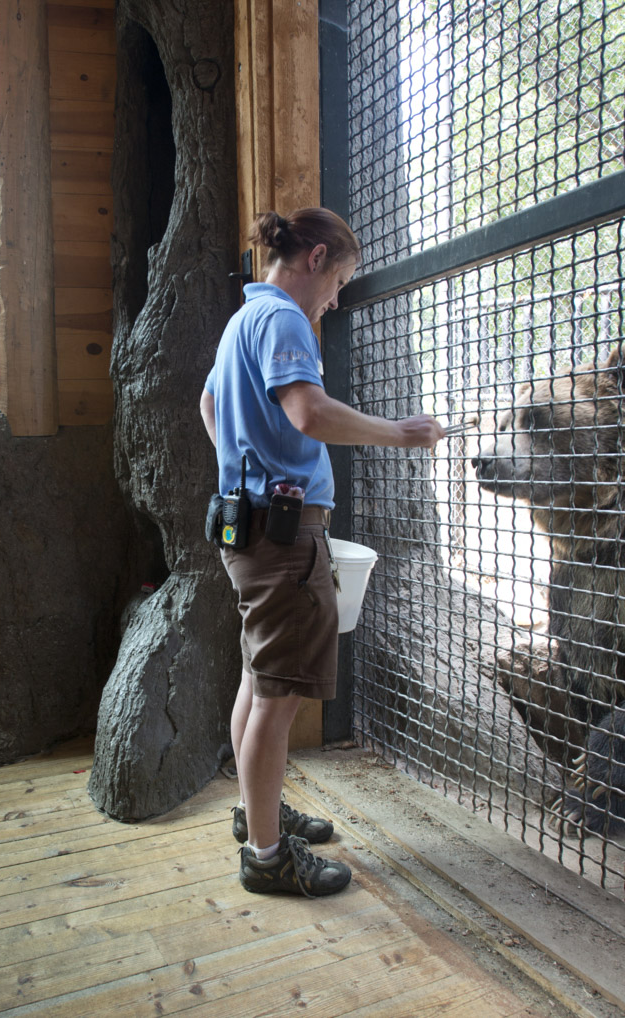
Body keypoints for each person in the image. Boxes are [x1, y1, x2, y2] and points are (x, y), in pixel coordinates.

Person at [200, 208, 444, 896]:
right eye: (338, 281)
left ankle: (258, 814)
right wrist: (401, 433)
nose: (335, 300)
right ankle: (267, 856)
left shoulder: (243, 321)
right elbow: (308, 412)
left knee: (257, 681)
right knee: (277, 699)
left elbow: (209, 404)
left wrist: (240, 465)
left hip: (246, 527)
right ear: (315, 260)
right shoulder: (284, 320)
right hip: (283, 536)